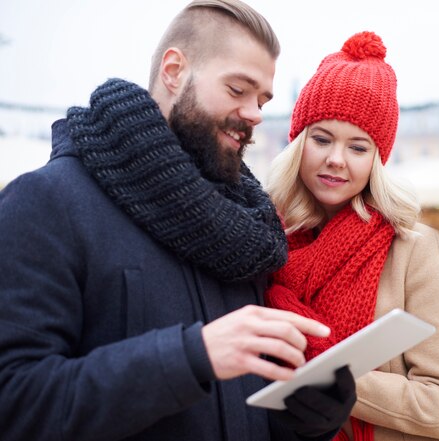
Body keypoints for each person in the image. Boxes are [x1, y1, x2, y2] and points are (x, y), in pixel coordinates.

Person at [0, 1, 356, 440]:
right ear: (174, 70)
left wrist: (305, 419)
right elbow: (15, 402)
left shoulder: (246, 231)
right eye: (237, 90)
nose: (255, 113)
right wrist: (190, 356)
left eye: (262, 99)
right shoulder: (47, 203)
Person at [265, 31, 439, 441]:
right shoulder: (266, 246)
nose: (336, 160)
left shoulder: (413, 249)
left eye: (358, 147)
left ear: (377, 159)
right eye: (321, 139)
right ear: (298, 144)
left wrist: (334, 383)